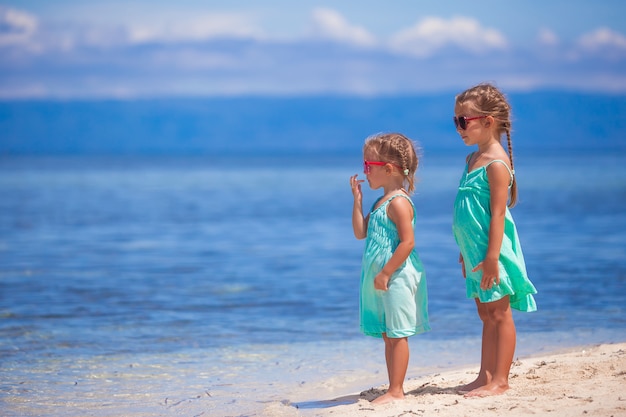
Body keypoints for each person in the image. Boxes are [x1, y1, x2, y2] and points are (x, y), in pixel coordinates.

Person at [452, 83, 537, 397]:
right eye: (456, 121)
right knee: (485, 313)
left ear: (487, 121)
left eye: (464, 121)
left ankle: (500, 379)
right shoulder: (471, 160)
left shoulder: (496, 164)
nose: (459, 127)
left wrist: (491, 258)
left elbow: (498, 215)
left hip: (493, 253)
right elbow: (470, 213)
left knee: (500, 313)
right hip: (475, 251)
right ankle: (484, 375)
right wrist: (465, 251)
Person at [350, 132, 430, 405]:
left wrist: (386, 272)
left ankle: (397, 390)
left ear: (388, 169)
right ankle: (393, 385)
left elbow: (408, 242)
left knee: (397, 333)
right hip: (383, 277)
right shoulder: (380, 202)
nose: (365, 172)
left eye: (367, 167)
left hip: (397, 276)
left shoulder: (398, 202)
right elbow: (361, 233)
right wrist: (358, 200)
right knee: (387, 333)